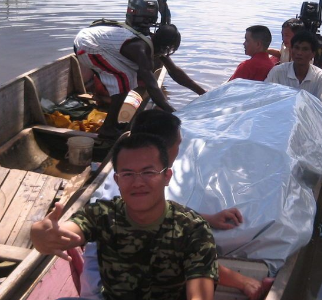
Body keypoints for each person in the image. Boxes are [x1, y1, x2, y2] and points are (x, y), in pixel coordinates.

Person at [81, 110, 274, 300]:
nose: (180, 150)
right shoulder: (134, 193)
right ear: (163, 150)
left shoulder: (130, 178)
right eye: (178, 144)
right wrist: (242, 281)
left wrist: (209, 218)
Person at [31, 133, 218, 300]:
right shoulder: (103, 214)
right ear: (117, 180)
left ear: (167, 176)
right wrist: (41, 236)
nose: (138, 182)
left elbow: (199, 293)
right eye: (128, 174)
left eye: (148, 172)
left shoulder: (193, 229)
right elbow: (68, 232)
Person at [74, 5, 205, 138]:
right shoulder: (140, 49)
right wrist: (175, 114)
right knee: (125, 78)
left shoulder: (153, 42)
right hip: (87, 44)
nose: (166, 53)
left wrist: (202, 93)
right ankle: (107, 128)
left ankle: (112, 123)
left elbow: (175, 73)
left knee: (126, 79)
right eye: (168, 49)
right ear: (163, 46)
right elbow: (152, 86)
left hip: (96, 43)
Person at [265, 30, 322, 110]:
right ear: (291, 50)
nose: (299, 53)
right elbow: (266, 96)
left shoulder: (321, 77)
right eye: (296, 48)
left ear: (313, 54)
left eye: (305, 49)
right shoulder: (277, 72)